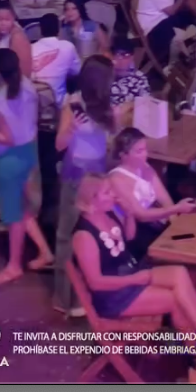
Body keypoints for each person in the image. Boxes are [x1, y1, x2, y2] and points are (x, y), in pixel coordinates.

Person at [72, 174, 196, 332]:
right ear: (92, 199)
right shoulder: (84, 236)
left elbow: (129, 237)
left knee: (179, 273)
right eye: (107, 192)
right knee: (176, 299)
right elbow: (95, 283)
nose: (114, 195)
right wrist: (134, 279)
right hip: (113, 295)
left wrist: (129, 215)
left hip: (131, 274)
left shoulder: (107, 213)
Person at [0, 49, 54, 283]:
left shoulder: (1, 101)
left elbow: (7, 138)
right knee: (23, 208)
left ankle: (14, 265)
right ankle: (45, 252)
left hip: (11, 159)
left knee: (14, 214)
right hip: (29, 152)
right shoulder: (29, 87)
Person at [53, 55, 116, 316]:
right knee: (67, 235)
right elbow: (59, 145)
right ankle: (64, 297)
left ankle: (86, 294)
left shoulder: (105, 105)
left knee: (92, 235)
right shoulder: (73, 105)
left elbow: (108, 140)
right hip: (77, 177)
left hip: (98, 176)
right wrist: (72, 130)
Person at [109, 127, 196, 258]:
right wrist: (176, 209)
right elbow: (141, 215)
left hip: (157, 220)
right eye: (139, 151)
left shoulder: (145, 167)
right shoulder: (116, 179)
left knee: (190, 237)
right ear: (123, 155)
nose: (145, 154)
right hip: (137, 231)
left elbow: (164, 198)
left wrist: (175, 222)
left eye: (145, 149)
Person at [136, 0, 191, 66]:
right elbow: (171, 11)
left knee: (185, 17)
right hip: (152, 26)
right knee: (181, 23)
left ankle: (183, 51)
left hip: (159, 19)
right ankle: (172, 63)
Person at [31, 11, 80, 107]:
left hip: (35, 105)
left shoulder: (30, 48)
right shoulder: (68, 46)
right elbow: (76, 71)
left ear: (40, 30)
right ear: (59, 29)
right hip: (60, 105)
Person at [110, 39, 151, 107]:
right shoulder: (105, 75)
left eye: (125, 56)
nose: (120, 60)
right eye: (116, 55)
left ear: (132, 57)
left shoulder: (139, 78)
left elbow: (145, 103)